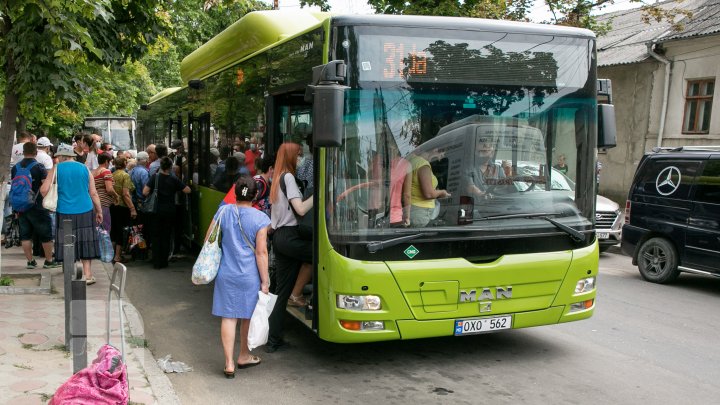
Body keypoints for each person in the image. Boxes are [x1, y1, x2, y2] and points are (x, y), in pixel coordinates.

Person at [208, 175, 270, 378]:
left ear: (235, 193)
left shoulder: (224, 211)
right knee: (246, 317)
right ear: (256, 195)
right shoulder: (260, 218)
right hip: (249, 275)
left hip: (226, 272)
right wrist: (265, 280)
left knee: (228, 317)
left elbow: (209, 238)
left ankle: (228, 363)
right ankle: (243, 355)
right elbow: (261, 253)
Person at [266, 142, 313, 353]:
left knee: (280, 292)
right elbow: (301, 209)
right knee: (323, 257)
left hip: (279, 237)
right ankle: (311, 304)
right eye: (299, 155)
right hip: (290, 236)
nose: (301, 159)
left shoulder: (276, 178)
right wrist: (320, 193)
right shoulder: (288, 177)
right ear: (292, 156)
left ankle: (273, 340)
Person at [40, 143, 103, 285]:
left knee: (68, 241)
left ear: (61, 156)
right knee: (85, 239)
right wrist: (99, 211)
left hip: (64, 211)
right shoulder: (84, 168)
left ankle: (70, 274)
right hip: (85, 210)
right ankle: (87, 274)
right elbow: (93, 193)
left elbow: (44, 190)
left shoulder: (56, 169)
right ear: (72, 155)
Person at [11, 142, 60, 269]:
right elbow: (45, 186)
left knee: (25, 235)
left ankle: (30, 261)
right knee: (45, 234)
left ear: (23, 151)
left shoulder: (15, 168)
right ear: (35, 152)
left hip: (20, 206)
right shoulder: (39, 167)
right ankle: (49, 261)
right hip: (37, 205)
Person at [143, 157, 190, 269]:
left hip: (155, 210)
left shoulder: (155, 177)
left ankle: (156, 261)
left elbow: (145, 192)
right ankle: (164, 261)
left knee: (156, 235)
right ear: (170, 167)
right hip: (169, 210)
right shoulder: (174, 179)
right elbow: (187, 190)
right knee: (166, 235)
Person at [408, 147, 451, 227]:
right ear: (435, 150)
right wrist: (442, 192)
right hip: (420, 212)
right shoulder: (423, 165)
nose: (440, 159)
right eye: (442, 155)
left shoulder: (412, 161)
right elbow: (429, 194)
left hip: (411, 209)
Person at [110, 156, 137, 263]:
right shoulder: (125, 175)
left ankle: (111, 255)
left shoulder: (112, 175)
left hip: (113, 206)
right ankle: (117, 256)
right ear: (125, 163)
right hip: (122, 207)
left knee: (114, 230)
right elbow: (126, 194)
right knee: (121, 231)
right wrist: (132, 208)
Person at [92, 153, 119, 234]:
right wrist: (116, 196)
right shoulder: (106, 171)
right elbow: (109, 189)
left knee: (96, 229)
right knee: (105, 230)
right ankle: (104, 247)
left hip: (93, 202)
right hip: (103, 203)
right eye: (110, 161)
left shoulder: (93, 172)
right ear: (106, 161)